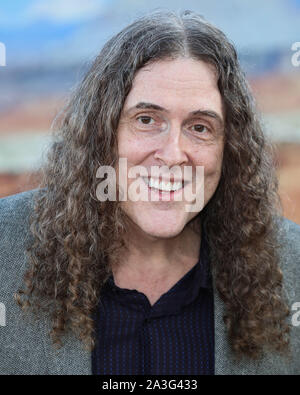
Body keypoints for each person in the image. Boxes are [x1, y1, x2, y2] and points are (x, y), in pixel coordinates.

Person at [0, 10, 299, 375]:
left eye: (200, 127)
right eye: (146, 120)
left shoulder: (292, 267)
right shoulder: (6, 251)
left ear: (230, 147)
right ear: (102, 132)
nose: (172, 155)